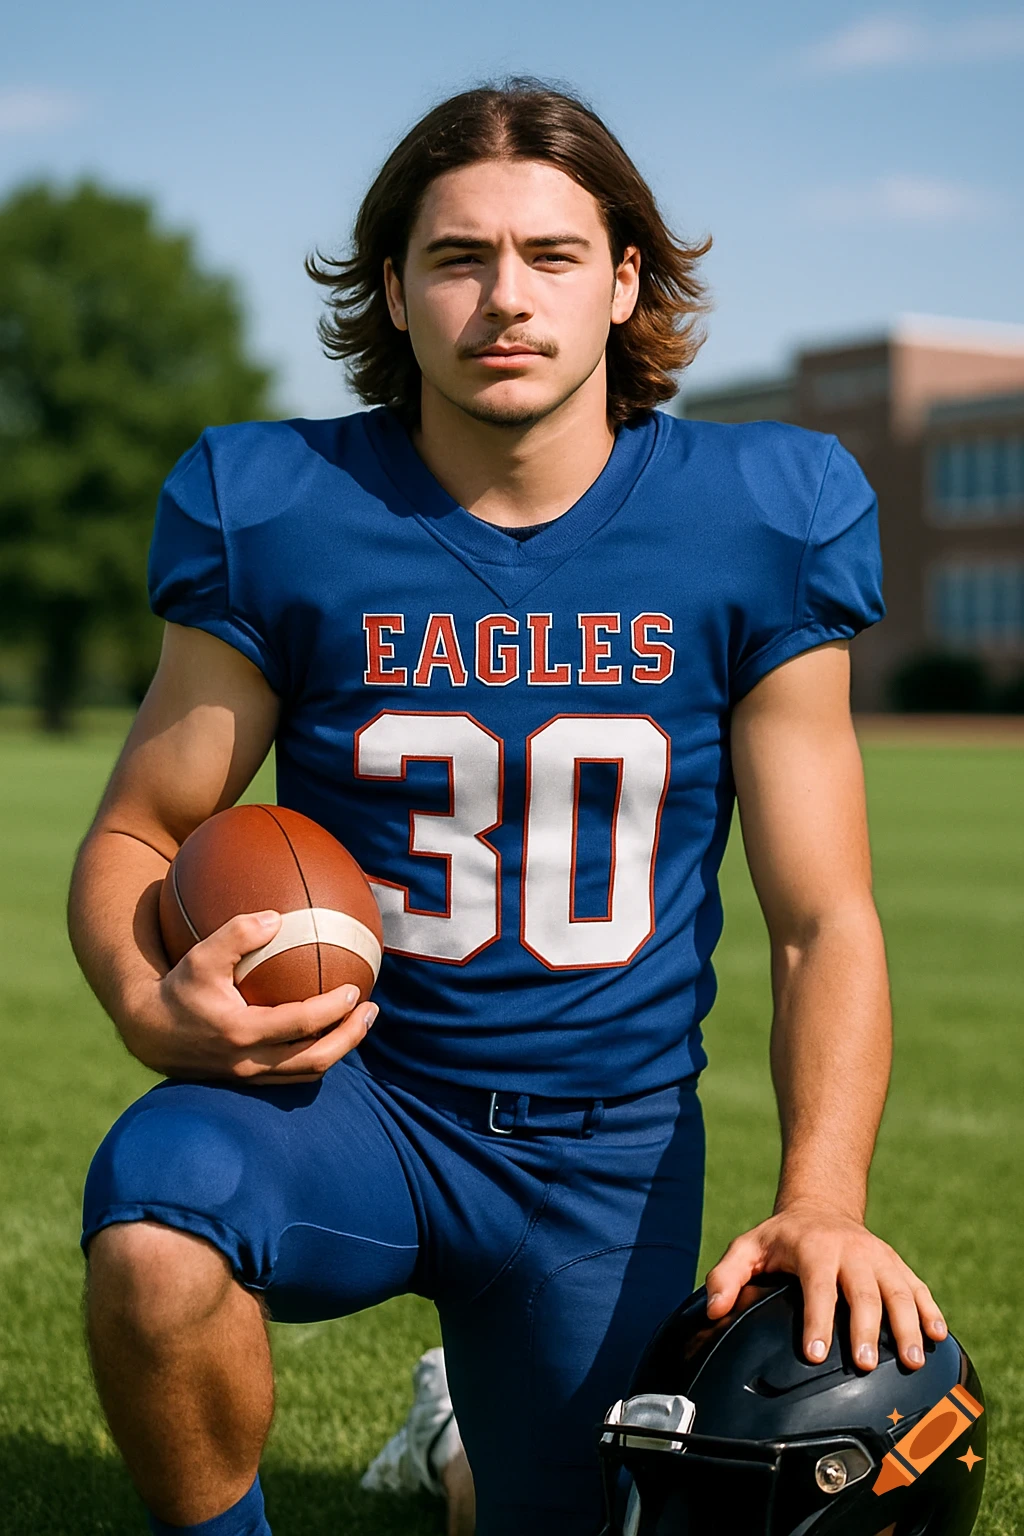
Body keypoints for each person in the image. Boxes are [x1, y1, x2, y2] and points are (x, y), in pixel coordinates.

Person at [71, 78, 948, 1536]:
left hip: (601, 1155)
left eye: (549, 257)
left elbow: (820, 917)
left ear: (622, 284)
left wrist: (825, 1197)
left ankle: (459, 1443)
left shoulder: (762, 514)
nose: (504, 300)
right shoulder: (278, 502)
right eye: (458, 258)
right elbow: (138, 831)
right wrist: (144, 1005)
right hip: (343, 1098)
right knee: (157, 1235)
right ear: (397, 295)